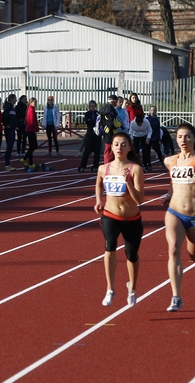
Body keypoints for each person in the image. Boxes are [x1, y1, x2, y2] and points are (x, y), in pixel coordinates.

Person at [162, 123, 195, 312]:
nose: (183, 141)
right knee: (174, 250)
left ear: (194, 139)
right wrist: (168, 195)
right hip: (174, 212)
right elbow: (173, 182)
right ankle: (176, 296)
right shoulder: (170, 161)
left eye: (187, 137)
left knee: (194, 254)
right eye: (179, 137)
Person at [94, 132, 146, 308]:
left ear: (130, 147)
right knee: (109, 246)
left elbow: (140, 199)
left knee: (132, 256)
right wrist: (98, 200)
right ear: (111, 146)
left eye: (124, 144)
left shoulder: (135, 169)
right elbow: (98, 183)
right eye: (116, 144)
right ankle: (110, 288)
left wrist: (128, 183)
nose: (119, 148)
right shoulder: (104, 168)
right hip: (110, 214)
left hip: (132, 217)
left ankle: (132, 288)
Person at [78, 99, 101, 172]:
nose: (92, 107)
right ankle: (82, 166)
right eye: (91, 106)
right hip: (90, 133)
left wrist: (94, 123)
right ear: (89, 107)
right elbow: (88, 122)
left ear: (96, 106)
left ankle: (95, 166)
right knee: (87, 151)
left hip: (97, 134)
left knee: (97, 151)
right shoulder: (87, 114)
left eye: (93, 106)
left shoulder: (98, 113)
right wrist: (94, 123)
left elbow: (99, 122)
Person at [99, 94, 122, 164]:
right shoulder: (108, 110)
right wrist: (120, 124)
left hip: (111, 133)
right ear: (113, 101)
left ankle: (110, 165)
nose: (117, 103)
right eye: (116, 101)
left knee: (111, 151)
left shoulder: (109, 109)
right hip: (109, 133)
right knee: (109, 151)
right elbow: (110, 124)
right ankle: (107, 166)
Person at [21, 97, 40, 170]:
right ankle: (26, 159)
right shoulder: (31, 110)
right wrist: (35, 129)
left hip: (30, 129)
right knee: (33, 146)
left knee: (32, 146)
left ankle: (29, 161)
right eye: (34, 102)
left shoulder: (30, 109)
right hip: (31, 130)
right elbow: (31, 121)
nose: (35, 104)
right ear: (31, 102)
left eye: (36, 102)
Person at [2, 94, 18, 171]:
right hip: (9, 129)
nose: (16, 100)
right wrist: (7, 125)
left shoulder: (12, 107)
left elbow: (14, 118)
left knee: (11, 146)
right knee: (9, 147)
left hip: (12, 128)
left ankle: (8, 164)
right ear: (11, 99)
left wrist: (15, 126)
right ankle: (7, 164)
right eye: (15, 99)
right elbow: (4, 117)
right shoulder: (8, 107)